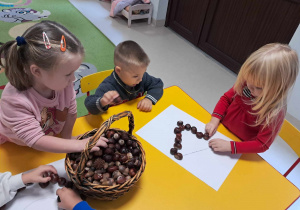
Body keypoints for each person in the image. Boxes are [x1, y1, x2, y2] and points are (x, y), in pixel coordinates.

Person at [0, 20, 107, 153]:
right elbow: (36, 140)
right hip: (15, 143)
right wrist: (78, 146)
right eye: (68, 74)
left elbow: (71, 112)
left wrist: (67, 138)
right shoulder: (14, 100)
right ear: (37, 71)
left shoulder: (64, 84)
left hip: (47, 135)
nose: (73, 79)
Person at [205, 43, 299, 154]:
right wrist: (214, 121)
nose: (249, 87)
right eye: (248, 80)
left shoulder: (275, 112)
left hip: (240, 147)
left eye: (258, 87)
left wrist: (231, 146)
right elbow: (226, 99)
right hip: (222, 131)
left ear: (278, 89)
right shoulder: (247, 83)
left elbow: (261, 144)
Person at [84, 40, 163, 115]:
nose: (141, 79)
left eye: (143, 73)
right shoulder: (108, 86)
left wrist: (148, 99)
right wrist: (102, 102)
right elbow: (89, 104)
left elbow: (157, 84)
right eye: (135, 76)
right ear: (118, 71)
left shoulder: (141, 77)